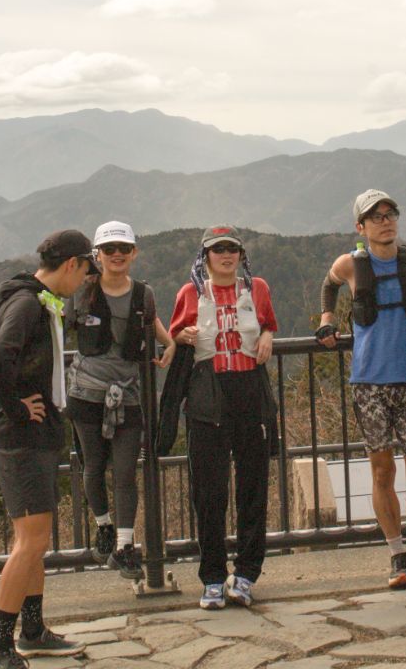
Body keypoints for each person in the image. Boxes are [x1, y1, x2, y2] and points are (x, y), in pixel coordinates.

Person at [0, 230, 96, 669]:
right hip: (21, 440)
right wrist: (17, 409)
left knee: (36, 539)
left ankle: (32, 631)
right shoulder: (28, 303)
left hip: (37, 435)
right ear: (71, 265)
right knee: (29, 543)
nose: (84, 280)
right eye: (85, 270)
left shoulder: (39, 298)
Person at [317, 189, 406, 589]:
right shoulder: (350, 264)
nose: (385, 221)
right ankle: (396, 555)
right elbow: (328, 285)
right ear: (361, 227)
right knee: (382, 470)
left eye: (390, 214)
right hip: (369, 382)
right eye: (376, 216)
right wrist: (327, 319)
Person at [169, 226, 278, 610]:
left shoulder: (257, 288)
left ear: (241, 255)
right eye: (219, 250)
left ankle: (246, 573)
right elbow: (176, 335)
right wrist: (183, 336)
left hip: (249, 390)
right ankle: (212, 577)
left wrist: (266, 334)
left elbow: (266, 323)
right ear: (206, 257)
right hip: (207, 395)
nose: (226, 255)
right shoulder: (191, 293)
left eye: (233, 248)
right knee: (209, 493)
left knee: (253, 488)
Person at [65, 220, 173, 580]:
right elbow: (51, 320)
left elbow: (152, 323)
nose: (116, 255)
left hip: (128, 394)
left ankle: (125, 548)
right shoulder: (78, 291)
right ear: (96, 255)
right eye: (108, 249)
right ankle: (104, 526)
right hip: (86, 393)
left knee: (126, 471)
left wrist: (170, 342)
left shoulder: (144, 293)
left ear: (134, 253)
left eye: (123, 249)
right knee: (93, 466)